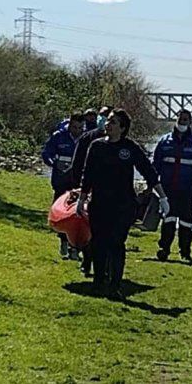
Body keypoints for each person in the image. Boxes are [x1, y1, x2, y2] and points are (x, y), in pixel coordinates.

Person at [76, 108, 170, 299]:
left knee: (117, 244)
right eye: (108, 121)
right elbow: (88, 175)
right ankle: (98, 283)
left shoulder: (130, 148)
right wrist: (81, 198)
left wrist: (162, 197)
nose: (108, 125)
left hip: (123, 205)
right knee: (99, 243)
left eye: (113, 122)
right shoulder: (96, 146)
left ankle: (114, 286)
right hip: (99, 203)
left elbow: (148, 171)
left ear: (123, 128)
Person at [153, 109, 192, 261]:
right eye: (180, 119)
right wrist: (153, 183)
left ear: (190, 122)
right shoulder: (164, 142)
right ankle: (164, 249)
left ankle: (185, 252)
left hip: (188, 189)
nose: (182, 122)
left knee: (186, 221)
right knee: (168, 218)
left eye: (186, 119)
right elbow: (156, 164)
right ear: (176, 120)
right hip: (168, 188)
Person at [70, 106, 111, 276]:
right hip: (88, 190)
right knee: (88, 228)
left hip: (111, 192)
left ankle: (106, 266)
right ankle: (87, 261)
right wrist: (76, 189)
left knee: (107, 231)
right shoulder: (87, 138)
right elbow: (77, 165)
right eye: (102, 116)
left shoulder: (122, 143)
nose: (103, 120)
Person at [42, 112, 85, 261]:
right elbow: (46, 153)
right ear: (70, 124)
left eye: (80, 127)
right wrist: (54, 163)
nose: (77, 130)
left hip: (77, 181)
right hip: (61, 180)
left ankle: (75, 248)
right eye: (74, 127)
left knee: (78, 214)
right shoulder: (58, 136)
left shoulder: (85, 139)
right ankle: (63, 241)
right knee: (62, 212)